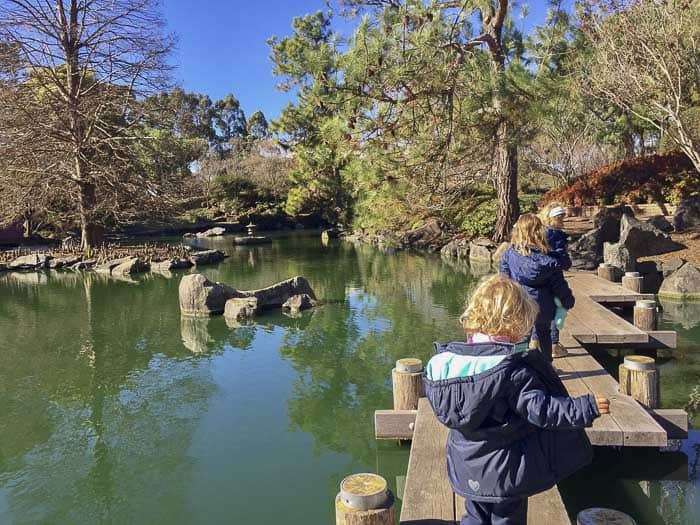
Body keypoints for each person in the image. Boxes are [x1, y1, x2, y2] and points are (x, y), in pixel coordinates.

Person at [424, 275, 609, 525]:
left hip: (467, 464)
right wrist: (585, 407)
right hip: (506, 470)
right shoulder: (512, 371)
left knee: (475, 515)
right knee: (506, 518)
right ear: (517, 322)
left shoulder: (449, 364)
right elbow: (542, 411)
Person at [499, 214, 574, 361]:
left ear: (518, 231)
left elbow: (503, 279)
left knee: (520, 337)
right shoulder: (550, 260)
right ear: (540, 231)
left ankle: (518, 368)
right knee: (544, 334)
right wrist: (567, 300)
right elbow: (559, 284)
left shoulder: (509, 254)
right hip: (543, 304)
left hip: (519, 302)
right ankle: (547, 367)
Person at [538, 202, 572, 358]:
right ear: (554, 218)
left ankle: (535, 341)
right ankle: (553, 344)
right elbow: (560, 257)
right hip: (553, 277)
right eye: (560, 218)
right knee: (556, 310)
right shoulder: (555, 234)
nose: (562, 221)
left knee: (539, 310)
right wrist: (565, 262)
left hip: (539, 277)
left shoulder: (540, 232)